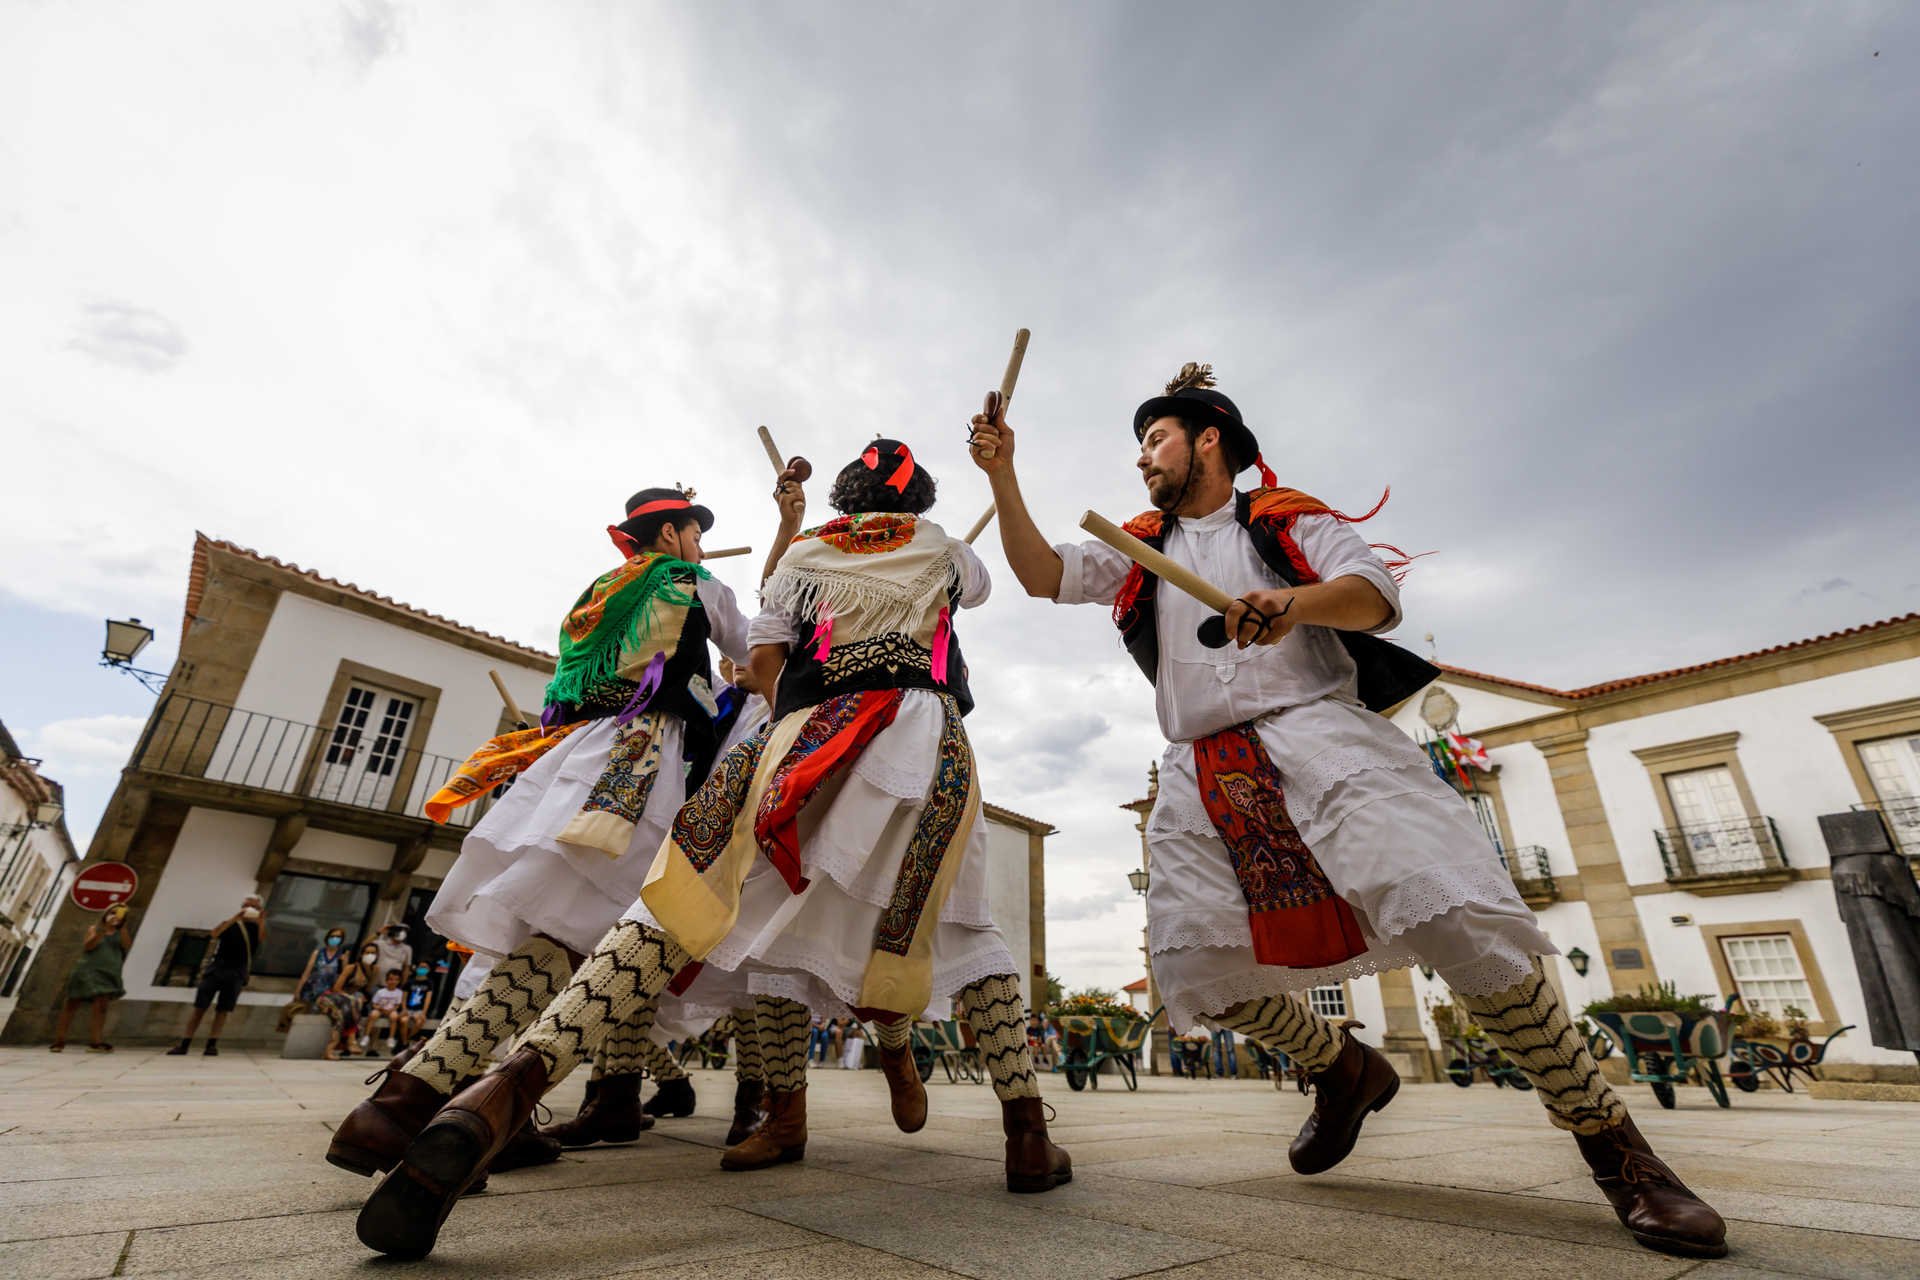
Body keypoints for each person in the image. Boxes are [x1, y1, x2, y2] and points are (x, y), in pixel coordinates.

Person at [969, 362, 1727, 1260]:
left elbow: (1375, 597)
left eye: (1155, 438)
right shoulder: (1142, 544)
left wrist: (1290, 603)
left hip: (1321, 735)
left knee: (1452, 914)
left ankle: (1616, 1148)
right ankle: (1342, 1068)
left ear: (1209, 436)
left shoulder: (1289, 518)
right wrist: (1002, 475)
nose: (1143, 459)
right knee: (1201, 965)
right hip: (1201, 764)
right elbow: (1040, 573)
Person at [354, 439, 1069, 1259]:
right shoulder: (945, 548)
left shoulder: (803, 556)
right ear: (918, 500)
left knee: (671, 911)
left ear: (843, 496)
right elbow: (976, 589)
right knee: (967, 929)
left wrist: (804, 691)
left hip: (796, 742)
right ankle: (1024, 1137)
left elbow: (760, 662)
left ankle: (489, 1100)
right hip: (917, 736)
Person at [327, 484, 754, 1182]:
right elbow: (756, 647)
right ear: (674, 534)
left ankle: (428, 1102)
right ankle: (414, 1105)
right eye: (696, 533)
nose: (702, 546)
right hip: (639, 758)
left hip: (576, 752)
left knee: (556, 933)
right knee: (574, 934)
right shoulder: (692, 582)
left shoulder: (599, 588)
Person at [168, 895, 266, 1056]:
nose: (249, 910)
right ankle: (185, 1043)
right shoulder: (230, 924)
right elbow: (215, 934)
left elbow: (262, 939)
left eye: (253, 907)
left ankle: (212, 1044)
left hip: (237, 971)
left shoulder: (256, 929)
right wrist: (236, 917)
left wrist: (261, 920)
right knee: (199, 1007)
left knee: (223, 1010)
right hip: (217, 969)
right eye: (247, 906)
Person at [50, 904, 131, 1053]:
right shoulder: (94, 929)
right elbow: (88, 946)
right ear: (106, 914)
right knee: (72, 1003)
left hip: (108, 973)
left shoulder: (121, 933)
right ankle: (59, 1040)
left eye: (118, 914)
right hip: (87, 970)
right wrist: (104, 929)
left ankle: (96, 1041)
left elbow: (126, 945)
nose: (115, 916)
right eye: (111, 913)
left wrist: (123, 926)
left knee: (101, 1007)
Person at [281, 927, 351, 1032]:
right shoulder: (318, 953)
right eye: (333, 936)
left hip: (327, 993)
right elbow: (306, 972)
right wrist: (298, 991)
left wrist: (345, 962)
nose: (335, 939)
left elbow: (344, 975)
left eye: (338, 937)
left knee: (317, 1019)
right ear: (327, 938)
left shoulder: (342, 956)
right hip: (310, 989)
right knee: (303, 1015)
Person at [365, 970, 406, 1055]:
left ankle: (391, 1037)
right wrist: (380, 1008)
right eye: (391, 979)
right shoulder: (380, 992)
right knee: (373, 1014)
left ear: (399, 981)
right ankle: (366, 1036)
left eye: (396, 980)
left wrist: (390, 1010)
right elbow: (374, 1003)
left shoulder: (399, 992)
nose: (393, 982)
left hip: (391, 1011)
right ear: (386, 980)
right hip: (380, 1009)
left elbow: (397, 1005)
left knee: (394, 1016)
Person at [400, 962, 435, 1042]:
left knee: (419, 1021)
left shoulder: (429, 983)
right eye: (421, 967)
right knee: (403, 1021)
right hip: (408, 1009)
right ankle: (404, 1043)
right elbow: (404, 998)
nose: (422, 969)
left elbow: (427, 1000)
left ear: (428, 970)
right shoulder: (409, 982)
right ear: (416, 968)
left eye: (425, 967)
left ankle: (408, 1039)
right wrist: (404, 1009)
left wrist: (423, 1013)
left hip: (419, 1010)